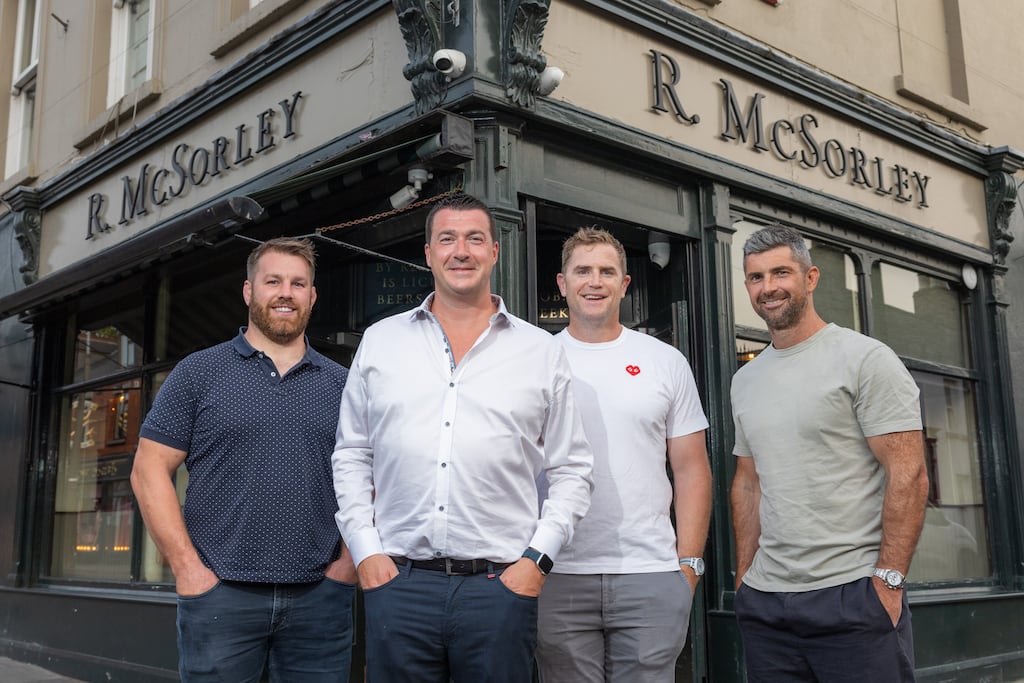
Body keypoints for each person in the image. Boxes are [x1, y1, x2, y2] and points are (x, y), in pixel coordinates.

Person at [332, 193, 593, 683]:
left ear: (495, 251)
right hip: (399, 584)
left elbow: (572, 468)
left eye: (475, 238)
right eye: (447, 239)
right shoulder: (381, 341)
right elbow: (352, 454)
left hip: (499, 588)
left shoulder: (539, 350)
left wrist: (536, 561)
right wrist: (365, 551)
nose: (461, 251)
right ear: (427, 253)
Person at [131, 237, 355, 682]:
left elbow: (371, 481)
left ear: (312, 296)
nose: (285, 293)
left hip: (320, 599)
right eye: (273, 281)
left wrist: (346, 568)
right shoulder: (199, 373)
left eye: (298, 283)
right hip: (220, 597)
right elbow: (148, 470)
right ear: (249, 290)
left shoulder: (345, 385)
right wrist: (188, 570)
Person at [729, 224, 929, 682]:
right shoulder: (746, 379)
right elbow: (748, 481)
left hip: (853, 596)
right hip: (767, 602)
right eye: (756, 278)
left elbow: (910, 474)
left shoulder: (865, 359)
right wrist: (744, 578)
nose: (768, 288)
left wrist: (889, 581)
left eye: (781, 273)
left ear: (811, 278)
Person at [536, 227, 713, 682]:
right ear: (562, 283)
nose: (594, 281)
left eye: (606, 271)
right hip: (556, 571)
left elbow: (692, 469)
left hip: (650, 571)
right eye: (583, 271)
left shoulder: (664, 360)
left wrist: (688, 568)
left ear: (624, 284)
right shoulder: (534, 358)